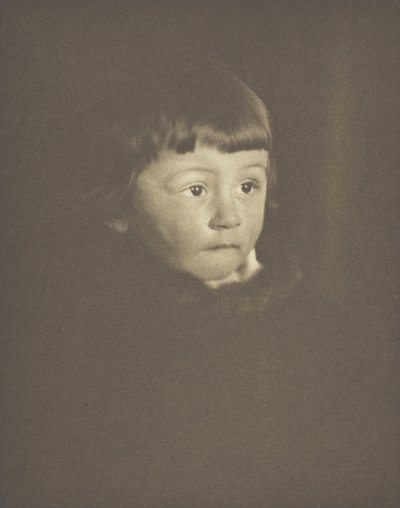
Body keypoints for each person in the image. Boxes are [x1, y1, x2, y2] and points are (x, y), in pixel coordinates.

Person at [3, 57, 398, 507]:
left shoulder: (318, 331)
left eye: (248, 186)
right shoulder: (94, 341)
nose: (229, 216)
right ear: (117, 206)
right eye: (196, 189)